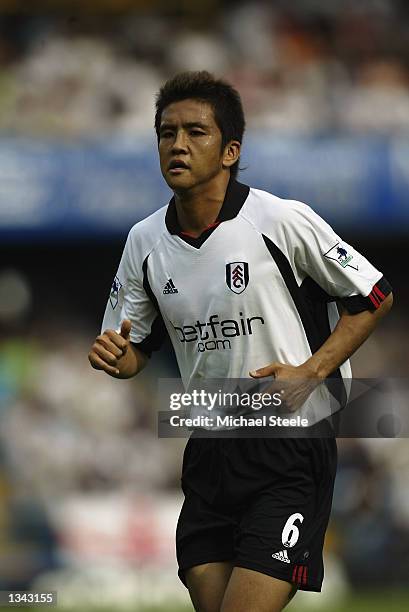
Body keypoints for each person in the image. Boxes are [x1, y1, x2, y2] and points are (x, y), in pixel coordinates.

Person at [88, 71, 393, 612]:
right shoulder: (144, 241)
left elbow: (373, 295)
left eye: (195, 132)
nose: (177, 144)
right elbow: (136, 348)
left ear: (230, 151)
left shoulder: (279, 219)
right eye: (166, 132)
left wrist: (310, 371)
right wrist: (120, 357)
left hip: (290, 447)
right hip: (209, 447)